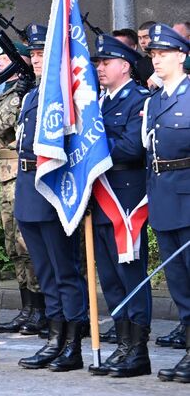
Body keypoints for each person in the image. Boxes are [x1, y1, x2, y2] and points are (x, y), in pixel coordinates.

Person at [16, 25, 89, 372]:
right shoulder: (32, 95)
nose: (36, 59)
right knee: (44, 273)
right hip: (28, 187)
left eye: (43, 53)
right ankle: (54, 337)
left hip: (55, 187)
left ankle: (72, 343)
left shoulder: (66, 95)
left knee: (65, 271)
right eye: (32, 54)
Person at [86, 34, 152, 378]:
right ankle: (123, 344)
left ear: (124, 67)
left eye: (105, 62)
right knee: (110, 278)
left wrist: (93, 145)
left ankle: (138, 350)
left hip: (125, 198)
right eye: (98, 62)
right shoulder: (97, 102)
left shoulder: (137, 99)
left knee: (131, 275)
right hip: (100, 196)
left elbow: (131, 148)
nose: (99, 68)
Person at [140, 23, 190, 383]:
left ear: (182, 56)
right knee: (180, 285)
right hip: (163, 199)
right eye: (153, 55)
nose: (156, 60)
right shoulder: (154, 100)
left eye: (163, 54)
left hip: (188, 199)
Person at [0, 43, 45, 336]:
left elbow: (1, 127)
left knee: (28, 246)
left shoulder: (22, 94)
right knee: (15, 248)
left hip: (19, 172)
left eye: (4, 61)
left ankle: (40, 307)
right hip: (4, 175)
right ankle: (28, 307)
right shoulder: (10, 93)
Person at [136, 21, 158, 88]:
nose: (142, 42)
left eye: (146, 37)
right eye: (140, 38)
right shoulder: (140, 64)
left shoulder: (170, 59)